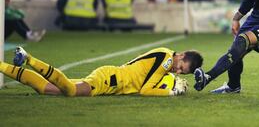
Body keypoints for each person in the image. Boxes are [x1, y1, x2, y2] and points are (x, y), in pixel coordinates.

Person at [0, 46, 203, 97]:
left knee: (47, 89)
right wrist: (170, 92)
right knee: (70, 91)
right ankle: (28, 58)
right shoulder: (167, 60)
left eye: (181, 72)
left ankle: (3, 65)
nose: (177, 70)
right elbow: (145, 89)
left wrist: (170, 82)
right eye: (180, 66)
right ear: (181, 55)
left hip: (112, 77)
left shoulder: (166, 57)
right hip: (111, 80)